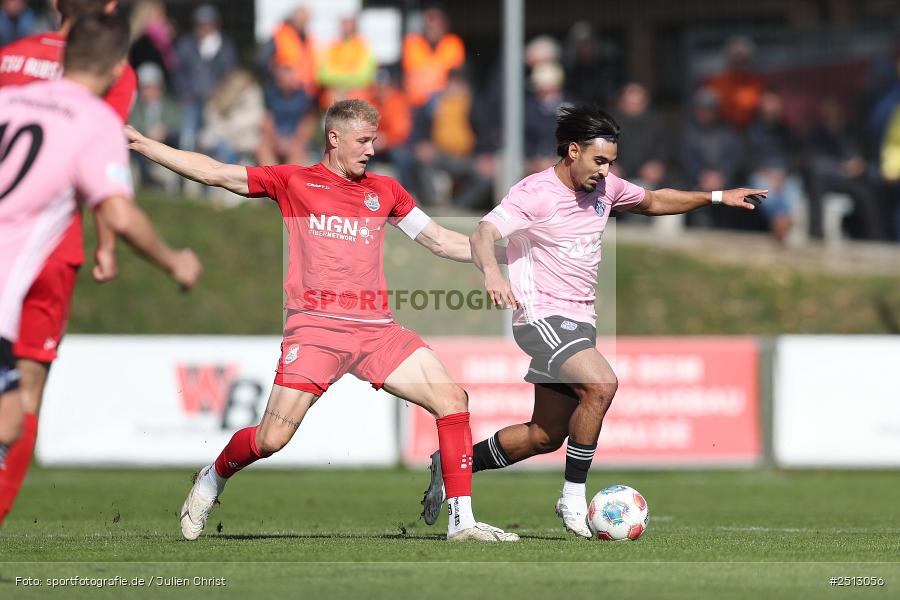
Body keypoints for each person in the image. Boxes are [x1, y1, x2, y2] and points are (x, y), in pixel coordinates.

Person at [126, 98, 519, 543]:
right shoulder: (294, 181)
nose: (372, 149)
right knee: (272, 439)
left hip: (376, 331)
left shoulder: (386, 191)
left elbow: (441, 241)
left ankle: (461, 523)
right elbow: (216, 172)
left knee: (452, 400)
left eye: (375, 140)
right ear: (334, 138)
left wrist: (508, 255)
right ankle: (212, 477)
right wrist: (143, 145)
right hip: (315, 330)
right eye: (364, 140)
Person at [419, 104, 765, 538]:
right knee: (602, 384)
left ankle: (450, 461)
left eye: (611, 163)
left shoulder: (605, 189)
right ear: (573, 151)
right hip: (540, 315)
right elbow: (484, 233)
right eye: (599, 161)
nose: (605, 171)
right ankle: (572, 499)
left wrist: (716, 196)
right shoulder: (534, 193)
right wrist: (491, 272)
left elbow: (654, 200)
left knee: (544, 436)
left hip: (580, 320)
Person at [0, 13, 201, 519]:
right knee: (14, 415)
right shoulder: (93, 120)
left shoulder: (8, 99)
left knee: (5, 421)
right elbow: (116, 210)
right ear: (117, 69)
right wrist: (174, 261)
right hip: (12, 288)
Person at [0, 0, 141, 524]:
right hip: (49, 243)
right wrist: (106, 244)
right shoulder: (107, 68)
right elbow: (102, 167)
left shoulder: (10, 55)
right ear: (107, 10)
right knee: (26, 394)